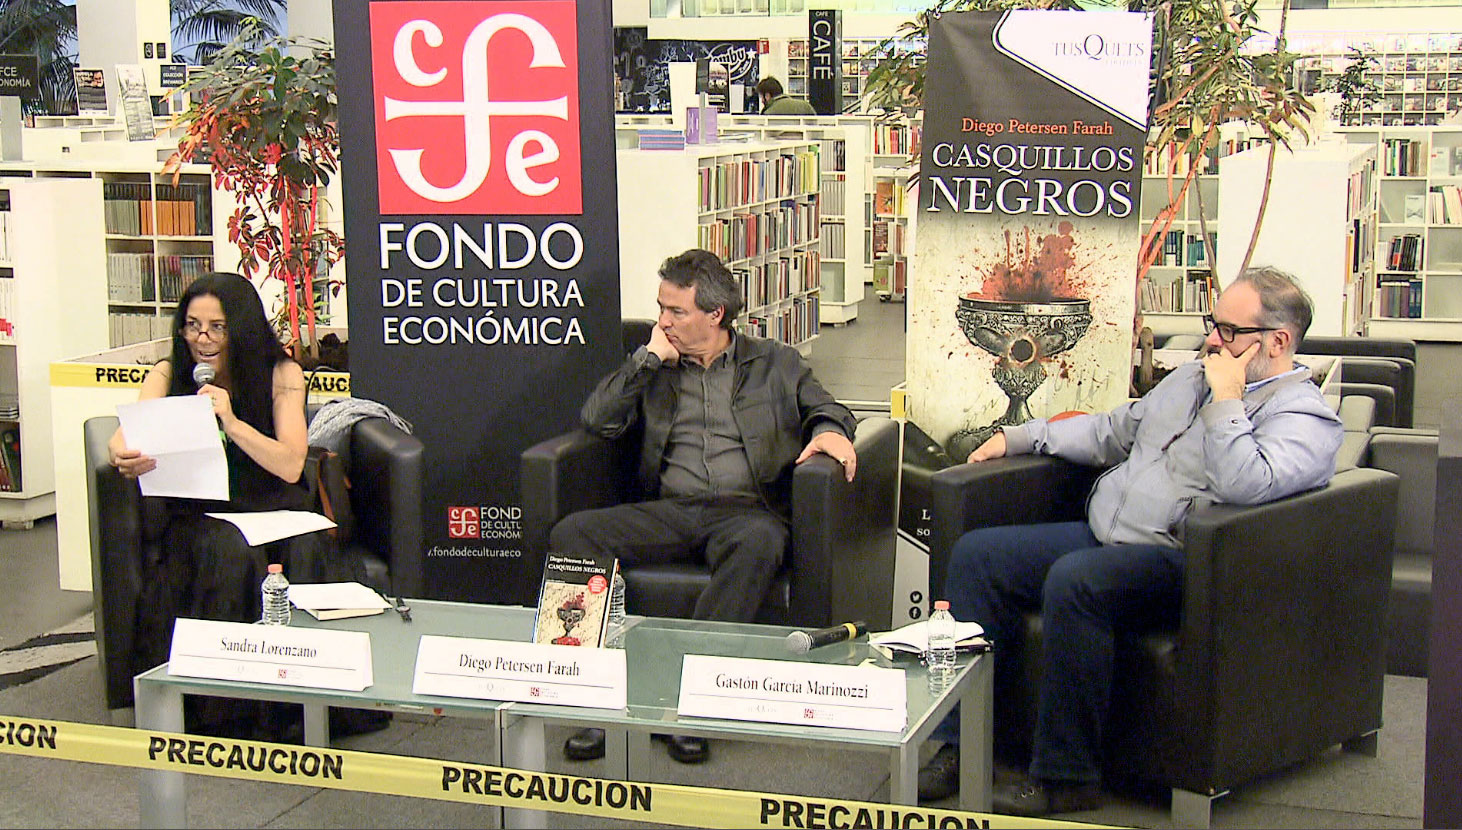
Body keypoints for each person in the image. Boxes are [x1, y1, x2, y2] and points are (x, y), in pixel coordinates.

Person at [916, 267, 1344, 816]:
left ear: (1278, 341)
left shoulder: (1304, 417)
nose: (1213, 341)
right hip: (1112, 535)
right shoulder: (1188, 380)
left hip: (1189, 561)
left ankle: (1068, 777)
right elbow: (1113, 430)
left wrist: (1227, 402)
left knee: (1077, 580)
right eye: (1212, 324)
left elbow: (1246, 484)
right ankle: (961, 743)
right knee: (980, 557)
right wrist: (1020, 437)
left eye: (1230, 332)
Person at [551, 248, 858, 764]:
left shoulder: (775, 363)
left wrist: (829, 431)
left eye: (676, 311)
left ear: (715, 314)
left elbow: (829, 408)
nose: (663, 321)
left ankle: (688, 701)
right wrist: (646, 361)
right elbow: (597, 420)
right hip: (672, 509)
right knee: (572, 534)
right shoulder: (654, 363)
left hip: (747, 513)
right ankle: (593, 696)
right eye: (661, 308)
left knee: (761, 542)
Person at [109, 272, 359, 739]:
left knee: (305, 546)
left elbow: (291, 465)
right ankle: (227, 711)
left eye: (217, 328)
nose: (202, 339)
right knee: (227, 551)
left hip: (273, 506)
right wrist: (123, 454)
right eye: (192, 325)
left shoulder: (282, 374)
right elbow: (124, 438)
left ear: (240, 328)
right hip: (203, 512)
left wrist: (231, 421)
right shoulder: (166, 374)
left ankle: (304, 706)